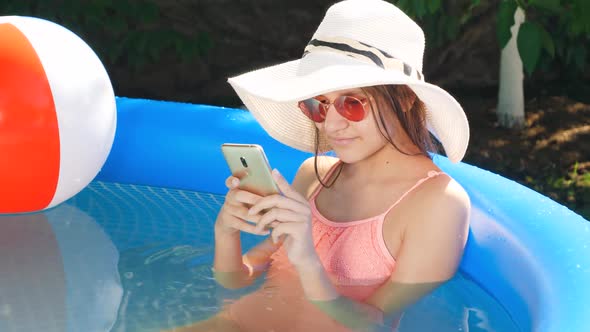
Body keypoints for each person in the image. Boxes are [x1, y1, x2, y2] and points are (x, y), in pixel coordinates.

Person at [167, 0, 470, 331]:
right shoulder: (314, 175)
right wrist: (225, 232)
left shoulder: (437, 203)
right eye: (319, 105)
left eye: (352, 103)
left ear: (406, 98)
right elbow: (236, 280)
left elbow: (375, 323)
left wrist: (309, 264)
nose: (331, 125)